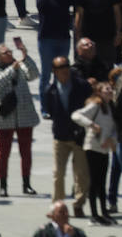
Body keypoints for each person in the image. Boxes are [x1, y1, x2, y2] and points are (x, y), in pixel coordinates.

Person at [0, 40, 40, 197]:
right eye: (5, 52)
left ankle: (27, 184)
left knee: (26, 152)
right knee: (4, 153)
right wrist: (11, 70)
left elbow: (33, 74)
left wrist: (26, 56)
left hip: (25, 116)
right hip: (5, 117)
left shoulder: (19, 66)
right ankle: (3, 185)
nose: (10, 54)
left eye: (10, 51)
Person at [44, 56, 91, 213]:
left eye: (66, 66)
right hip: (60, 137)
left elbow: (90, 107)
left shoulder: (82, 86)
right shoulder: (50, 90)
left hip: (79, 136)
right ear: (54, 71)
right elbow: (50, 111)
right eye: (61, 68)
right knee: (58, 173)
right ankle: (57, 206)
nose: (65, 70)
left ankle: (79, 204)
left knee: (81, 174)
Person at [71, 79, 117, 224]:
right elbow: (76, 115)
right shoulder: (95, 105)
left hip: (104, 149)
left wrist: (112, 139)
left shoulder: (111, 107)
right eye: (106, 89)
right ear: (99, 92)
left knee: (102, 182)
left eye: (110, 89)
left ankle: (104, 212)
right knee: (95, 181)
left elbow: (115, 127)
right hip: (92, 147)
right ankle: (94, 214)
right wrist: (91, 124)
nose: (109, 91)